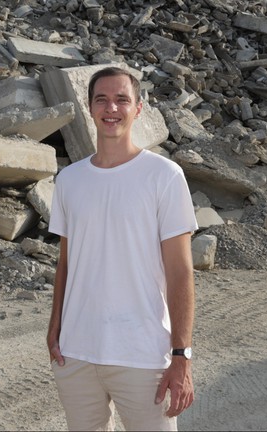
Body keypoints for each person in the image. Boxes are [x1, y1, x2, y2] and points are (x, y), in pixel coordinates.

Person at [47, 66, 198, 431]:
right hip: (76, 354)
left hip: (143, 355)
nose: (111, 108)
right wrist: (54, 328)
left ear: (138, 109)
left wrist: (181, 356)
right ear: (89, 108)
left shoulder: (164, 176)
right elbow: (67, 262)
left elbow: (181, 271)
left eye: (121, 100)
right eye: (102, 99)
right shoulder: (69, 179)